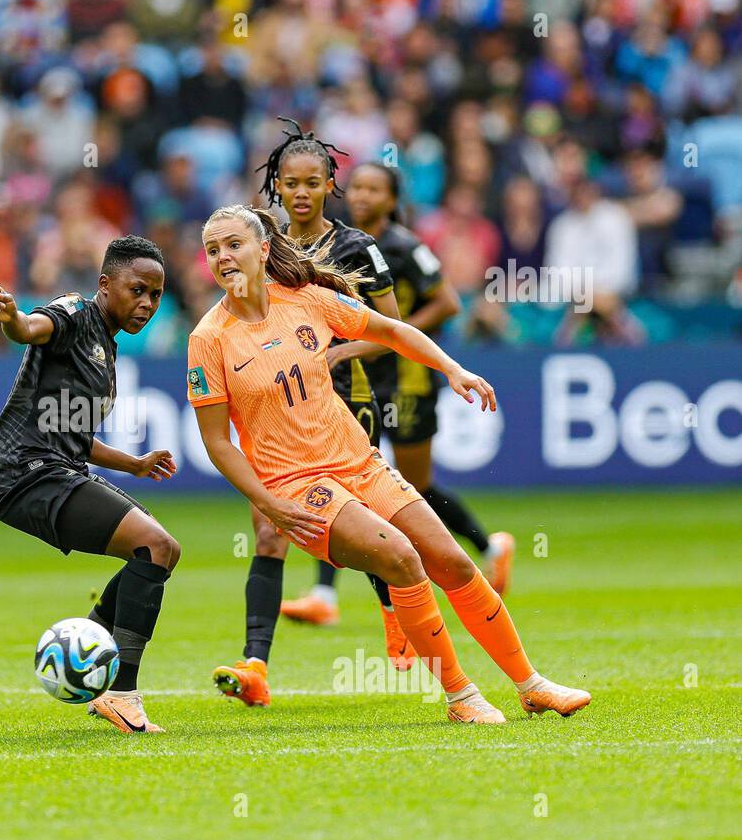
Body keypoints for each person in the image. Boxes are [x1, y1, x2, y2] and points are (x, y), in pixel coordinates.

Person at [194, 204, 590, 722]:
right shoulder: (208, 339)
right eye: (212, 249)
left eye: (233, 244)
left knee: (450, 561)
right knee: (402, 559)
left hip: (359, 462)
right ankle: (461, 696)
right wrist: (269, 504)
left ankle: (531, 684)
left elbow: (394, 331)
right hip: (295, 487)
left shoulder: (307, 300)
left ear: (263, 248)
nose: (223, 256)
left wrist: (453, 369)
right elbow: (218, 443)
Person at [224, 120, 403, 703]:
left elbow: (392, 331)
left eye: (312, 183)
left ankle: (396, 618)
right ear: (275, 185)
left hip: (346, 404)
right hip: (276, 415)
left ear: (330, 184)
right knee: (268, 530)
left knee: (372, 528)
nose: (300, 193)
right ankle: (256, 668)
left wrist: (333, 353)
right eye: (289, 183)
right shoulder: (261, 244)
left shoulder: (358, 248)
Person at [0, 236, 179, 734]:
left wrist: (131, 464)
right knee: (153, 544)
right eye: (137, 290)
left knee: (158, 550)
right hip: (21, 472)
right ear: (105, 285)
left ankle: (90, 665)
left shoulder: (105, 350)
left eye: (156, 295)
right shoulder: (74, 313)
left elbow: (68, 428)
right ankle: (122, 694)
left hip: (55, 465)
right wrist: (11, 318)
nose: (147, 304)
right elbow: (31, 329)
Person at [345, 162, 515, 620]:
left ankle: (485, 545)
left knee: (415, 486)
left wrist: (392, 334)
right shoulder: (338, 244)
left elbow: (448, 303)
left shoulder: (406, 248)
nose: (361, 196)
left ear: (392, 199)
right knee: (354, 482)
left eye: (373, 189)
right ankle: (327, 596)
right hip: (358, 379)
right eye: (356, 187)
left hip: (408, 380)